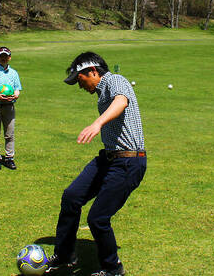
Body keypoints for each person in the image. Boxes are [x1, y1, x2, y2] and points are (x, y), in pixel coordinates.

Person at [46, 52, 146, 276]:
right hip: (108, 159)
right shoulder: (102, 92)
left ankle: (113, 269)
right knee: (71, 196)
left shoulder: (115, 81)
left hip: (129, 162)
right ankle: (65, 256)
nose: (79, 85)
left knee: (98, 218)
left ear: (93, 71)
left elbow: (121, 101)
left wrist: (97, 124)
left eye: (79, 79)